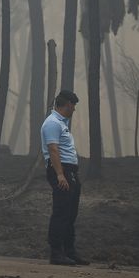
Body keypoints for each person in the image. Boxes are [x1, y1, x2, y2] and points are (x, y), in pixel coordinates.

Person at [41, 90, 89, 266]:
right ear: (68, 104)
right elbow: (53, 149)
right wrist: (60, 174)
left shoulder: (62, 123)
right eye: (73, 105)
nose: (74, 109)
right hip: (61, 170)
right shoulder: (52, 123)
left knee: (71, 213)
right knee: (61, 212)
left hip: (70, 171)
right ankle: (56, 253)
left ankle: (69, 251)